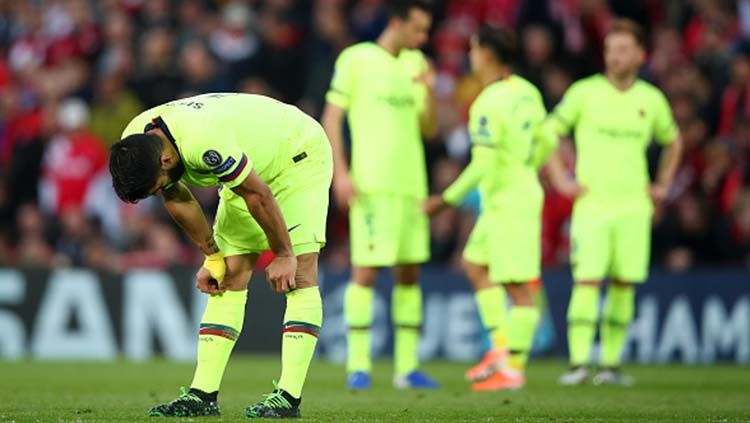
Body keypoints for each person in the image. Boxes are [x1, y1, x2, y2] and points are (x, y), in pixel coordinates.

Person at [110, 93, 332, 418]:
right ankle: (202, 396)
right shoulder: (136, 141)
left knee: (299, 273)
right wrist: (210, 254)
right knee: (226, 276)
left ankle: (289, 397)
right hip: (250, 168)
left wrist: (283, 254)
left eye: (155, 187)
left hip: (296, 155)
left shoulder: (203, 141)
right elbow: (175, 195)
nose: (159, 192)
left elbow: (258, 195)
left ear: (166, 161)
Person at [547, 19, 683, 386]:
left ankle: (609, 365)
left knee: (624, 285)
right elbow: (550, 133)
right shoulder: (584, 93)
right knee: (587, 282)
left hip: (633, 208)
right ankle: (578, 364)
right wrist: (561, 179)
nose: (615, 57)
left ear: (640, 54)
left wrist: (663, 185)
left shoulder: (650, 100)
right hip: (592, 206)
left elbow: (674, 141)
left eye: (623, 49)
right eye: (610, 49)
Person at [425, 25, 556, 391]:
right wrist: (527, 165)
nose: (470, 56)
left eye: (472, 49)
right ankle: (500, 348)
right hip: (512, 196)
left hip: (509, 201)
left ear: (484, 53)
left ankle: (513, 370)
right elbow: (547, 139)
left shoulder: (487, 102)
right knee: (474, 264)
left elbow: (481, 165)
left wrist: (445, 200)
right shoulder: (528, 92)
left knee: (518, 289)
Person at [321, 0, 439, 390]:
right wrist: (341, 172)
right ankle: (359, 366)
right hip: (372, 184)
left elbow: (428, 128)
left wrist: (431, 95)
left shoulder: (418, 65)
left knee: (409, 273)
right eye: (418, 29)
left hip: (412, 186)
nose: (422, 38)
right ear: (397, 23)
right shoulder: (357, 59)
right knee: (366, 272)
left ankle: (407, 368)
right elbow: (332, 117)